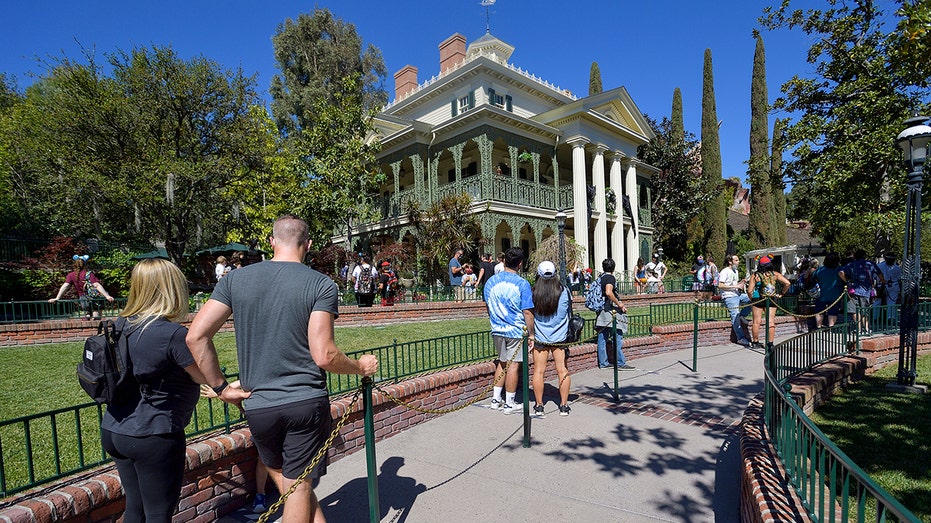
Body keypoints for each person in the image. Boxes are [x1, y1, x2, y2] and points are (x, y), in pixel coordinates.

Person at [186, 214, 378, 523]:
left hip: (258, 405)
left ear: (272, 242)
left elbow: (195, 336)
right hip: (304, 402)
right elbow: (325, 355)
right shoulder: (320, 283)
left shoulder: (235, 279)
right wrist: (360, 367)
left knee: (291, 483)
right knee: (299, 487)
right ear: (309, 245)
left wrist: (222, 388)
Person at [100, 258, 208, 523]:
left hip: (116, 428)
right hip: (154, 433)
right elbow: (204, 376)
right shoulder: (171, 334)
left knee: (135, 508)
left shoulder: (120, 325)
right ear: (171, 289)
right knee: (159, 514)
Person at [483, 247, 535, 412]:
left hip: (497, 328)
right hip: (515, 331)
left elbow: (488, 305)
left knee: (502, 362)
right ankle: (509, 402)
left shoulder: (491, 282)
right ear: (520, 264)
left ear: (504, 261)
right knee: (513, 365)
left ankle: (495, 399)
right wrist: (532, 334)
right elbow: (527, 311)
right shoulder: (522, 284)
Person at [530, 261, 572, 417]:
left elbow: (530, 313)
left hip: (540, 337)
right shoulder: (564, 291)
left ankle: (539, 405)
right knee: (562, 370)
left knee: (539, 371)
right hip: (560, 337)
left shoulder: (534, 292)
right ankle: (564, 405)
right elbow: (567, 312)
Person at [594, 258, 634, 369]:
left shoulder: (600, 277)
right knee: (617, 337)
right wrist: (619, 304)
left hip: (601, 310)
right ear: (613, 268)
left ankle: (603, 363)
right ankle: (620, 363)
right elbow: (608, 292)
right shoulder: (610, 278)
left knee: (602, 338)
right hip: (609, 311)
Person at [49, 254, 115, 320]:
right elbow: (96, 285)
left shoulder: (71, 275)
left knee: (87, 314)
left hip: (83, 299)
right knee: (96, 315)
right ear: (85, 264)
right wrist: (107, 296)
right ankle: (95, 327)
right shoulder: (89, 274)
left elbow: (65, 286)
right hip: (94, 298)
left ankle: (87, 318)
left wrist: (57, 298)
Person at [747, 254, 791, 349]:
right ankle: (770, 343)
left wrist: (751, 299)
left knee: (756, 322)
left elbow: (749, 290)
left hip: (758, 299)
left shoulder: (755, 275)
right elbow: (787, 283)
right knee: (771, 322)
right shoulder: (775, 274)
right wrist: (782, 293)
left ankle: (755, 342)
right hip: (771, 299)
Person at [839, 249, 884, 335]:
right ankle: (866, 328)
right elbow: (880, 274)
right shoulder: (870, 264)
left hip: (853, 290)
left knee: (855, 311)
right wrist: (883, 281)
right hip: (866, 290)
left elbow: (841, 273)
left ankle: (858, 329)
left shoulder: (851, 264)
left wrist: (847, 282)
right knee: (864, 310)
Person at [717, 254, 751, 347]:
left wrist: (741, 282)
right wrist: (736, 286)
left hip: (737, 294)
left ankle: (742, 315)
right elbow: (720, 285)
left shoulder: (735, 271)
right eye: (736, 260)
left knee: (753, 299)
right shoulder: (725, 271)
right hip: (729, 296)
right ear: (730, 262)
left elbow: (734, 284)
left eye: (738, 260)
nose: (738, 262)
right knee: (735, 315)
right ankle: (741, 338)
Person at [814, 252, 844, 328]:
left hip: (821, 294)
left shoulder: (820, 270)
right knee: (833, 311)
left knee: (819, 311)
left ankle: (818, 326)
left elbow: (814, 279)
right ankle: (831, 326)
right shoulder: (839, 269)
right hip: (836, 294)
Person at [876, 252, 901, 325]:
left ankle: (876, 317)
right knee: (890, 302)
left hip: (887, 285)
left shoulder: (879, 266)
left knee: (878, 301)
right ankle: (889, 317)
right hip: (888, 285)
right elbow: (899, 279)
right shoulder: (897, 268)